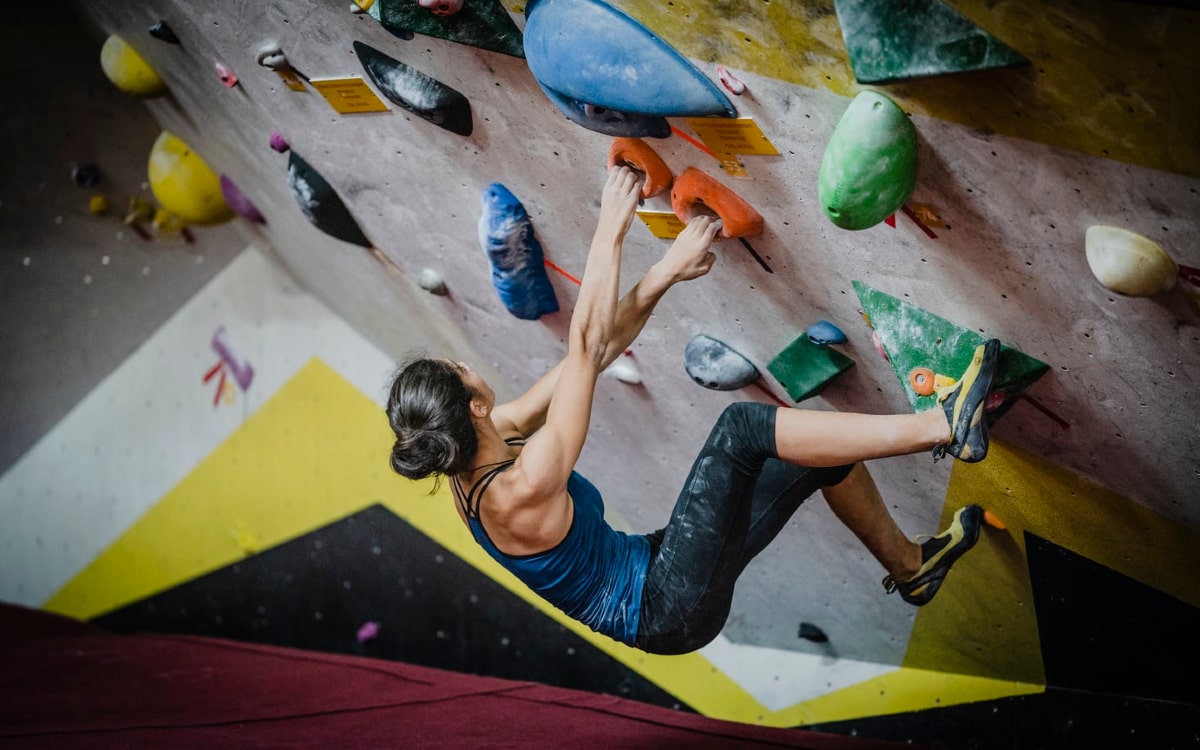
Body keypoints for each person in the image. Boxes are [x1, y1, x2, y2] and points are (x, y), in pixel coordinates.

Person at [386, 165, 999, 655]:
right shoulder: (519, 488)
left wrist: (664, 276)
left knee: (815, 456)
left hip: (660, 566)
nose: (467, 365)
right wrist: (611, 225)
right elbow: (585, 344)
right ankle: (945, 425)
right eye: (457, 370)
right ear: (472, 403)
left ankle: (913, 567)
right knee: (743, 430)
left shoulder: (493, 438)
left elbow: (593, 358)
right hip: (666, 608)